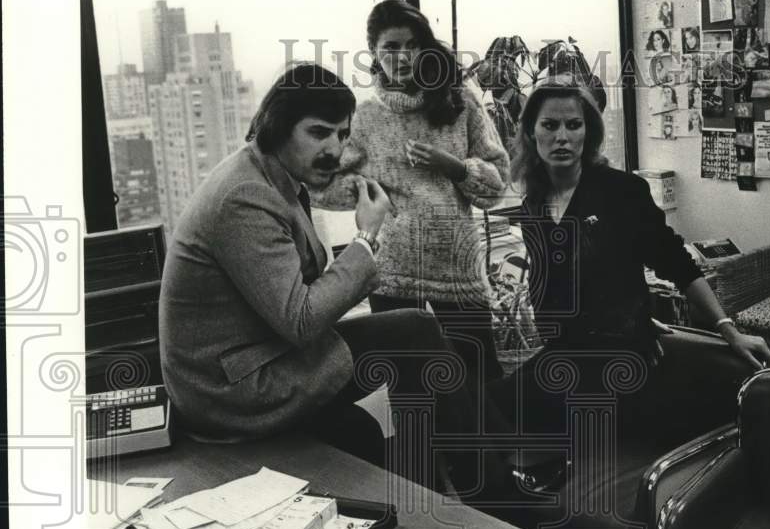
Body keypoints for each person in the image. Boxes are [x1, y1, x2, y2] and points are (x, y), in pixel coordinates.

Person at [159, 63, 511, 495]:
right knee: (412, 335)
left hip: (260, 357)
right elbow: (302, 320)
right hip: (232, 391)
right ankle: (499, 493)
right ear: (278, 126)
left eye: (342, 135)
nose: (335, 149)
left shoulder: (270, 176)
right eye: (319, 132)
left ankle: (460, 484)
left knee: (412, 339)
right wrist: (366, 236)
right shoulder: (244, 196)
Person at [491, 72, 770, 495]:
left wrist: (727, 330)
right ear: (532, 133)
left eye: (574, 124)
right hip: (565, 353)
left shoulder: (622, 192)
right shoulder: (532, 203)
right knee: (487, 405)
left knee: (522, 409)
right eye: (550, 125)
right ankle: (540, 481)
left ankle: (553, 473)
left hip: (619, 357)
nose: (563, 136)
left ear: (589, 130)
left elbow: (677, 263)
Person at [317, 0, 510, 388]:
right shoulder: (365, 118)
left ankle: (490, 452)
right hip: (390, 273)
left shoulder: (459, 101)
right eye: (390, 48)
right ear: (374, 53)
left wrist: (452, 166)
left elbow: (496, 186)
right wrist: (367, 189)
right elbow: (319, 184)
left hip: (457, 265)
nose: (402, 56)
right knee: (410, 391)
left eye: (411, 45)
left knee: (481, 382)